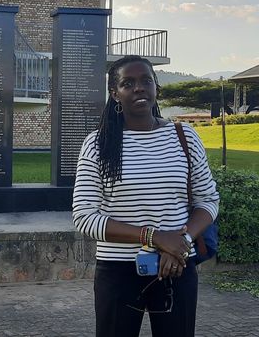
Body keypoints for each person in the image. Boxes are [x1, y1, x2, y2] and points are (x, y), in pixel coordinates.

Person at [72, 55, 219, 337]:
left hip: (176, 266)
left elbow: (208, 200)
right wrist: (154, 237)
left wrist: (181, 241)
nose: (139, 88)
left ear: (156, 88)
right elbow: (84, 217)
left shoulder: (184, 137)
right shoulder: (98, 144)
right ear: (115, 93)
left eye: (146, 81)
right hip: (118, 271)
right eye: (128, 83)